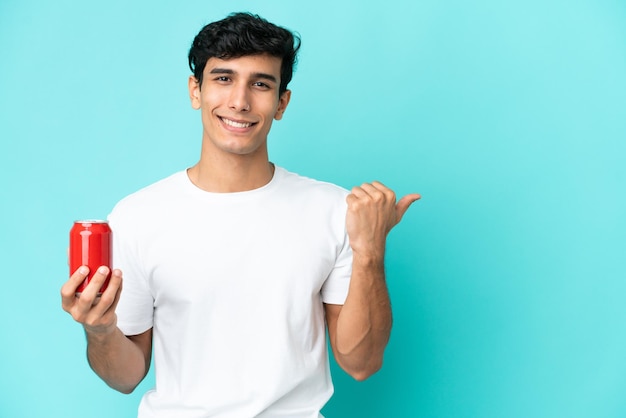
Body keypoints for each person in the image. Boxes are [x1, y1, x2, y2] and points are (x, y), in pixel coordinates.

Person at [61, 11, 420, 418]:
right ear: (195, 90)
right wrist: (100, 329)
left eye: (261, 84)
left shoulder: (332, 210)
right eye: (223, 78)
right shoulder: (138, 216)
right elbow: (124, 377)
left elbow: (361, 363)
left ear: (281, 102)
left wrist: (370, 250)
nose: (240, 101)